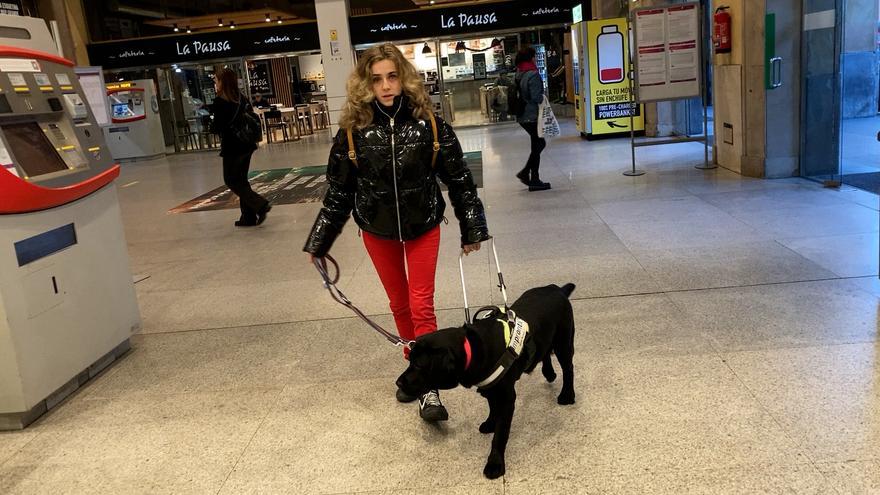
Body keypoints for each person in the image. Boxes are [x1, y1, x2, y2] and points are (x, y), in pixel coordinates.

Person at [303, 44, 490, 422]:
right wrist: (319, 241)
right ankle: (417, 369)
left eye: (392, 76)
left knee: (422, 304)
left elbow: (459, 180)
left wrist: (472, 227)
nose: (386, 86)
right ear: (365, 85)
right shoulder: (353, 133)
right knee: (399, 305)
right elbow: (339, 192)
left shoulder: (430, 125)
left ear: (403, 78)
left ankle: (430, 389)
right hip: (377, 231)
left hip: (424, 227)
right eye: (377, 79)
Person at [211, 68, 271, 227]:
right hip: (247, 144)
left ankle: (259, 204)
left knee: (231, 179)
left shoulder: (220, 101)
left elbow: (218, 127)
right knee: (241, 180)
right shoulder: (242, 98)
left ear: (222, 82)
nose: (215, 83)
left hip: (232, 146)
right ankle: (248, 217)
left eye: (216, 80)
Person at [514, 47, 551, 191]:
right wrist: (544, 97)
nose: (535, 59)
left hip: (522, 115)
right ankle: (527, 173)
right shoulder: (533, 74)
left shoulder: (519, 73)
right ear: (530, 58)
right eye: (534, 57)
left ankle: (533, 178)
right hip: (532, 115)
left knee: (536, 143)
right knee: (540, 144)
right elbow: (536, 97)